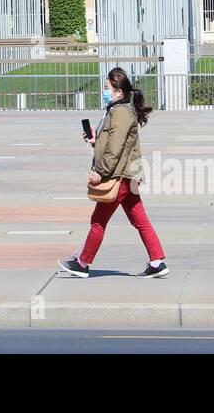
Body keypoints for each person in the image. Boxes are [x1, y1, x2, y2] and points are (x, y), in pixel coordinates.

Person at [58, 67, 168, 278]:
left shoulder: (121, 113)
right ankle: (156, 262)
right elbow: (112, 142)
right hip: (128, 176)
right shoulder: (117, 110)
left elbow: (115, 148)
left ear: (119, 92)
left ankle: (83, 263)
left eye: (107, 88)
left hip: (120, 176)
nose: (104, 91)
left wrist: (101, 172)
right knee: (140, 220)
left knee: (98, 221)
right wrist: (95, 139)